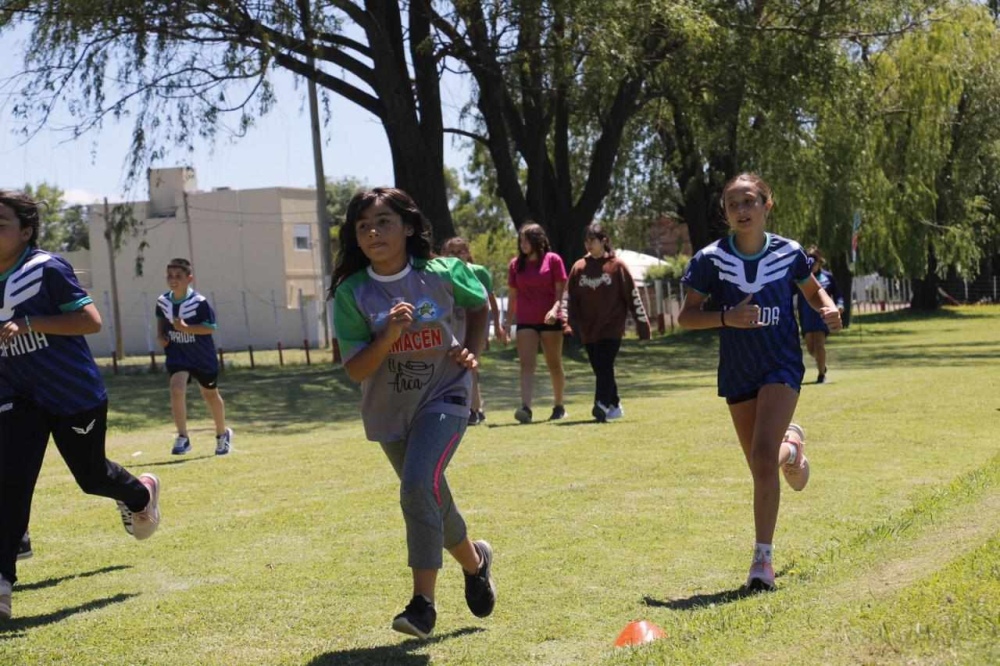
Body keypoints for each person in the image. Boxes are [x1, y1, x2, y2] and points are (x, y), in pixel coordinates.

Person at [331, 187, 496, 640]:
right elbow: (356, 369)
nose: (373, 232)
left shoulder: (442, 272)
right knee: (431, 498)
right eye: (363, 226)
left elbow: (480, 301)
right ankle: (476, 562)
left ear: (407, 226)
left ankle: (422, 605)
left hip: (445, 396)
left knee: (418, 485)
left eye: (383, 221)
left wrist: (472, 353)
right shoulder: (352, 293)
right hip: (389, 413)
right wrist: (387, 335)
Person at [0, 190, 161, 620]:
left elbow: (91, 321)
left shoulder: (47, 269)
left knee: (91, 478)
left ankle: (139, 493)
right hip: (17, 397)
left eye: (0, 223)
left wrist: (31, 323)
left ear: (26, 231)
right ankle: (2, 584)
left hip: (72, 395)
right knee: (11, 485)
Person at [677, 173, 842, 592]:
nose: (741, 210)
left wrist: (828, 307)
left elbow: (811, 291)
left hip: (781, 363)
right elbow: (686, 316)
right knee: (761, 462)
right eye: (733, 205)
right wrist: (724, 318)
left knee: (762, 456)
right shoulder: (709, 260)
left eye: (749, 201)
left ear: (767, 204)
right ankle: (794, 449)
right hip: (737, 368)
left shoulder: (790, 253)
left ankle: (761, 561)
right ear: (725, 213)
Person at [566, 223, 651, 422]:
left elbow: (633, 296)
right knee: (601, 368)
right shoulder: (579, 268)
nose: (588, 244)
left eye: (592, 240)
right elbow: (568, 298)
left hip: (612, 328)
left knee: (604, 365)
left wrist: (642, 326)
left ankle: (601, 404)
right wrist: (568, 323)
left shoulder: (617, 266)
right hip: (588, 329)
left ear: (604, 241)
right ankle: (615, 403)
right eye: (586, 241)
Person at [155, 258, 233, 456]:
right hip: (178, 356)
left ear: (189, 278)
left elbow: (210, 328)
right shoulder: (163, 301)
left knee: (210, 394)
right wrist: (161, 336)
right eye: (170, 276)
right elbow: (161, 321)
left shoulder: (199, 303)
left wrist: (187, 328)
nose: (173, 280)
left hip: (202, 357)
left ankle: (222, 434)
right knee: (176, 388)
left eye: (178, 276)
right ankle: (183, 437)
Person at [504, 223, 569, 423]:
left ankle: (559, 406)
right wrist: (507, 325)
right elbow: (513, 296)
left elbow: (560, 292)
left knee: (553, 363)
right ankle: (526, 408)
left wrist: (554, 310)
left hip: (550, 319)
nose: (522, 244)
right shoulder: (515, 265)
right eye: (521, 240)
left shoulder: (553, 260)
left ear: (537, 241)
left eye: (526, 240)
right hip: (525, 320)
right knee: (526, 364)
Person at [440, 237, 509, 425]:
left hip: (472, 323)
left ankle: (475, 409)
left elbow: (489, 301)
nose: (455, 256)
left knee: (471, 365)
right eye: (450, 252)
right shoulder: (440, 273)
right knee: (456, 365)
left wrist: (495, 327)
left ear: (467, 253)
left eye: (459, 251)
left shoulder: (478, 272)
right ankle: (466, 407)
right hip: (451, 323)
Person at [797, 246, 844, 384]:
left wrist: (839, 306)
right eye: (809, 262)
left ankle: (821, 375)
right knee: (811, 348)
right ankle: (822, 364)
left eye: (815, 262)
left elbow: (838, 294)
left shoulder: (827, 277)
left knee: (819, 344)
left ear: (820, 262)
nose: (812, 265)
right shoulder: (800, 278)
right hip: (806, 317)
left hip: (822, 317)